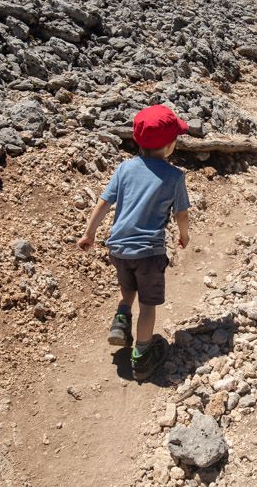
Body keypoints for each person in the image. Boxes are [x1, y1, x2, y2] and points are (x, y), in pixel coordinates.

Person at [77, 104, 191, 380]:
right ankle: (142, 355)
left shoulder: (124, 169)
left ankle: (120, 319)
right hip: (149, 253)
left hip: (118, 248)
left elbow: (104, 202)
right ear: (170, 145)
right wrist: (184, 234)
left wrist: (89, 233)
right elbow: (181, 213)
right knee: (148, 304)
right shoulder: (174, 177)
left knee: (127, 287)